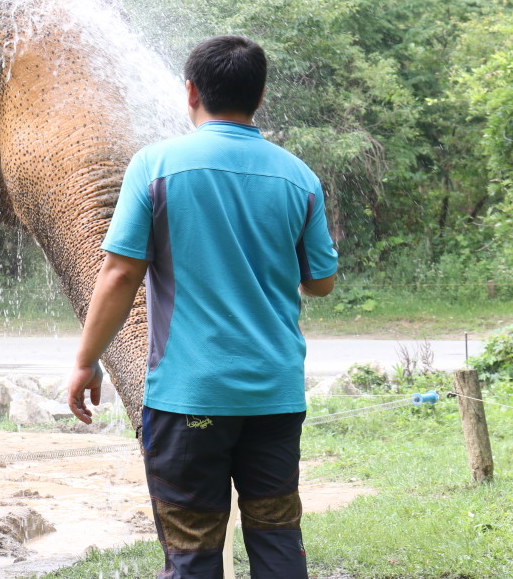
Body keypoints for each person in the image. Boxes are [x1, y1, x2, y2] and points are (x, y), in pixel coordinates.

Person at [67, 35, 337, 579]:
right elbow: (321, 282)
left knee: (191, 549)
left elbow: (120, 273)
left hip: (188, 397)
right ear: (259, 97)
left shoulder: (156, 166)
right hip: (274, 396)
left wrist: (85, 361)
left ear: (189, 91)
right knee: (278, 534)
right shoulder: (299, 177)